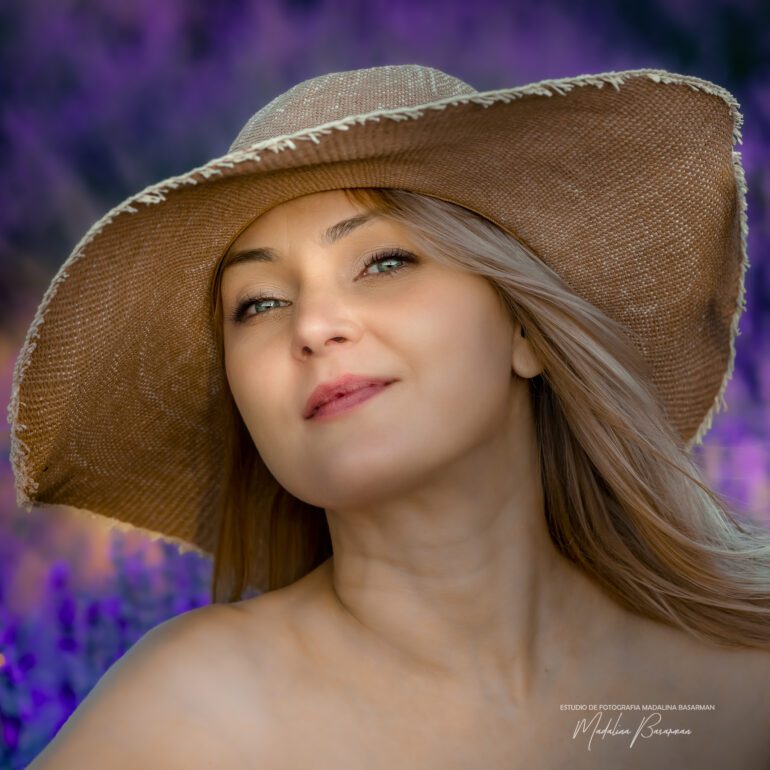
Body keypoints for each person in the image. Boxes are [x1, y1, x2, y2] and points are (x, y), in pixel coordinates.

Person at [12, 64, 770, 768]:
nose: (312, 327)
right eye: (260, 304)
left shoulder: (745, 690)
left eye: (384, 262)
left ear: (525, 331)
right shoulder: (189, 719)